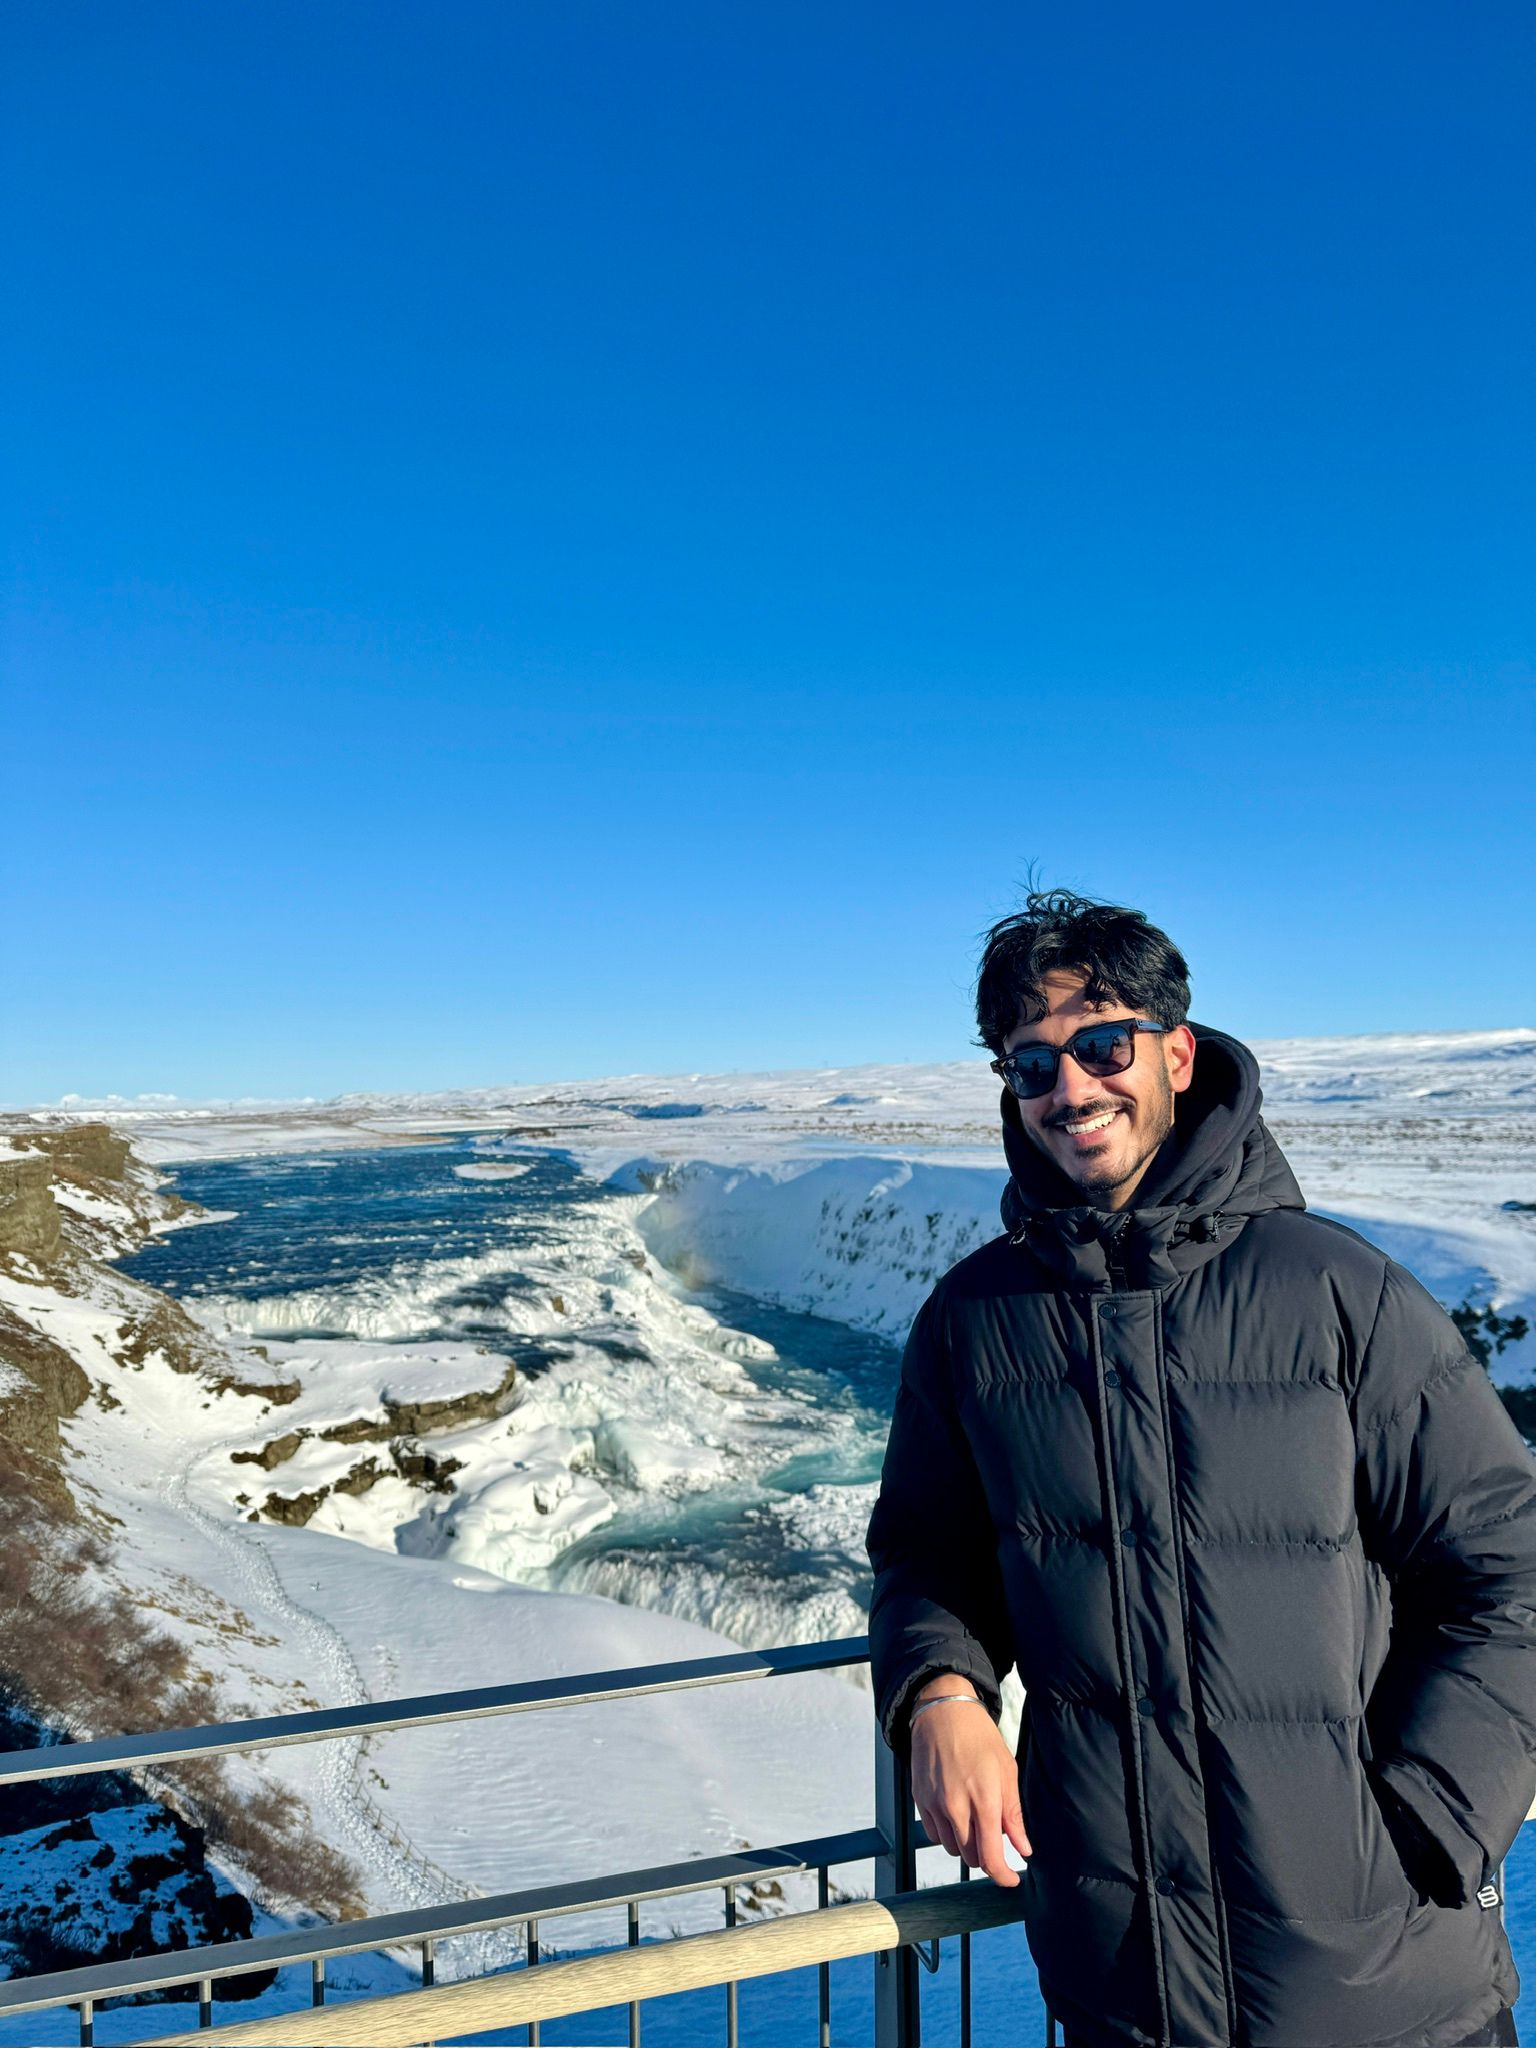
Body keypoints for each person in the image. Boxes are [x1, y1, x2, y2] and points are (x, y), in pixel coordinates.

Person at [865, 888, 1536, 2048]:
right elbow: (929, 1548)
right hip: (1124, 1984)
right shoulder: (975, 1320)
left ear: (1176, 1050)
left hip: (1382, 1993)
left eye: (1102, 1043)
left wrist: (1422, 1823)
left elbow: (1508, 1567)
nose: (1071, 1087)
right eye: (1031, 1064)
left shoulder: (1336, 1291)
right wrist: (940, 1689)